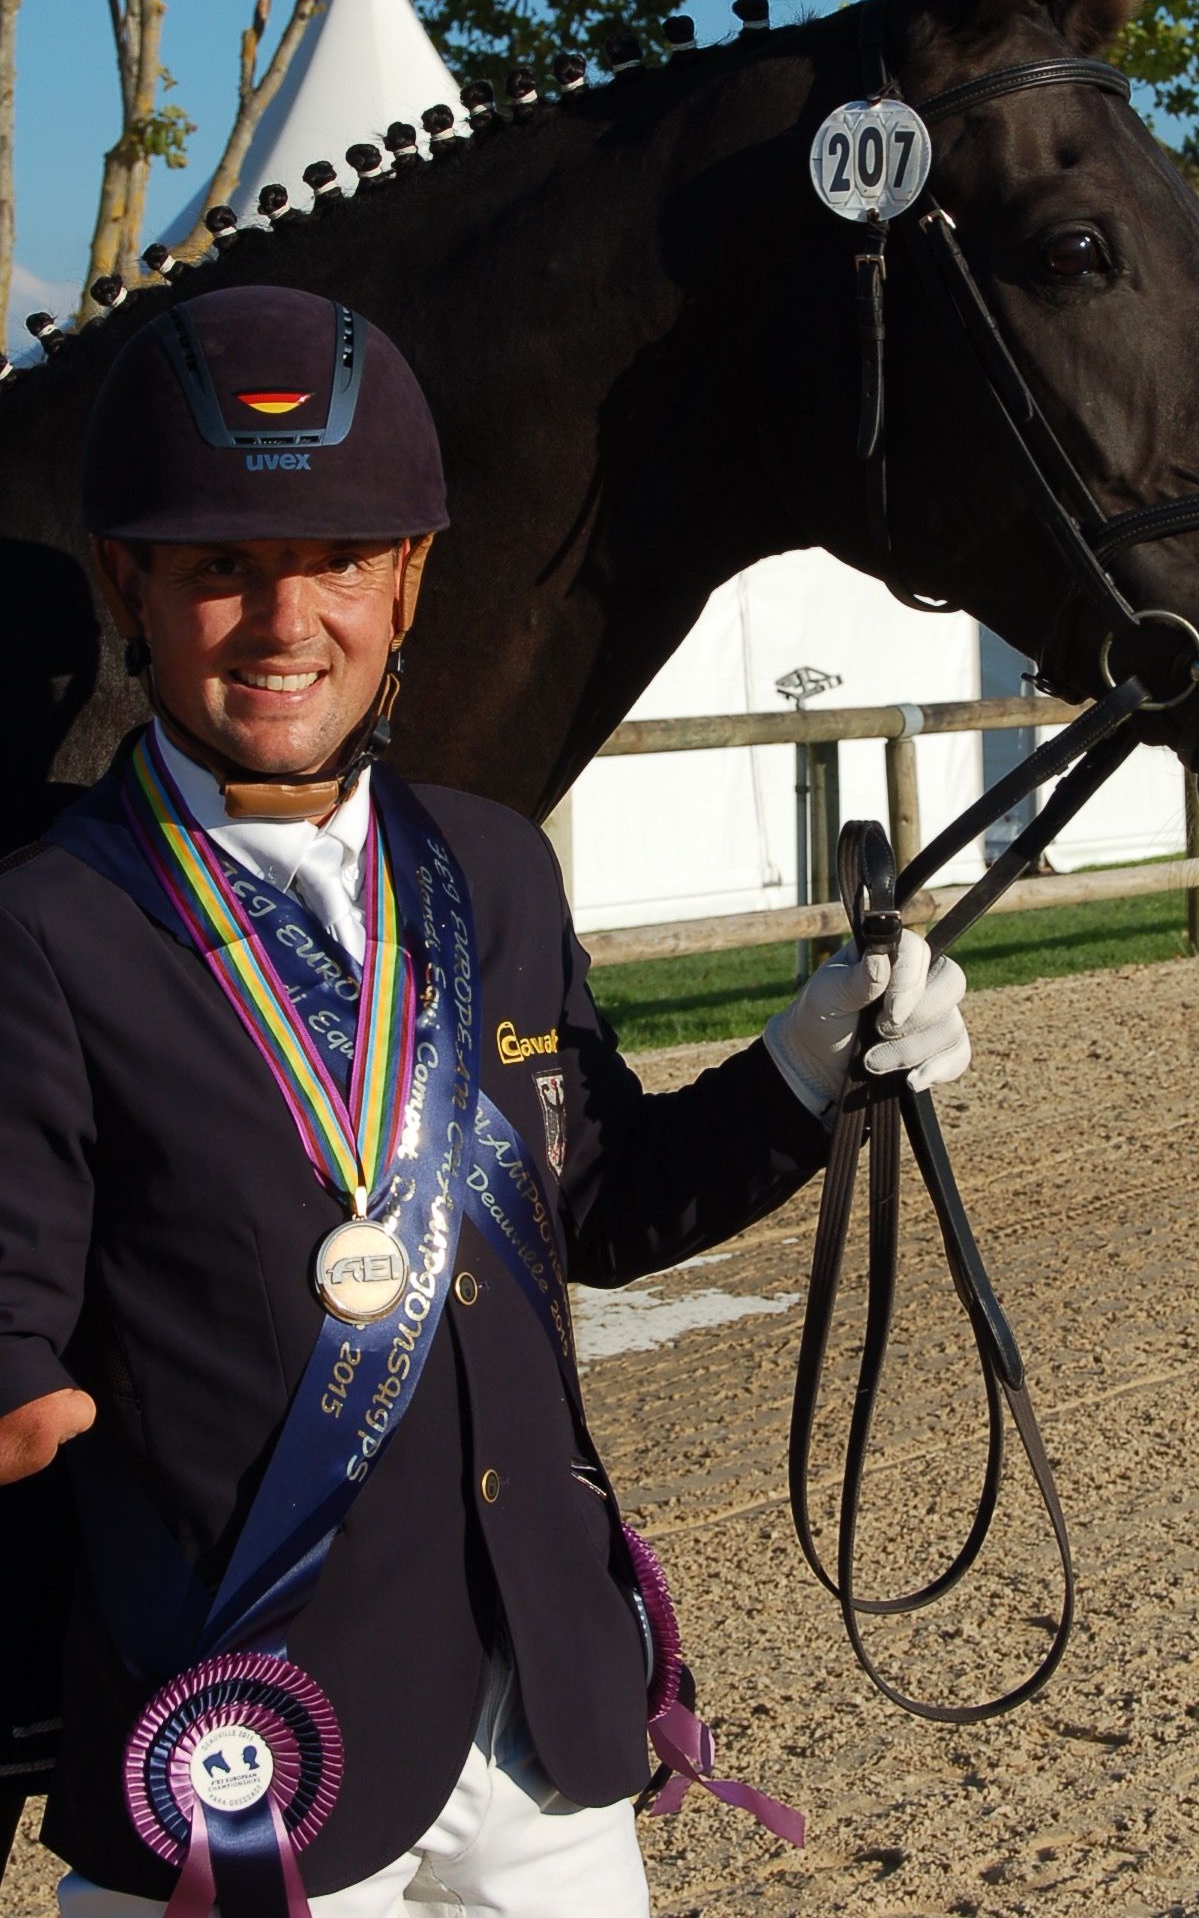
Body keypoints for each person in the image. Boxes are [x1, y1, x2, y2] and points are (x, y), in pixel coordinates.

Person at [0, 286, 971, 1918]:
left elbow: (588, 1205)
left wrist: (812, 1067)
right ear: (130, 588)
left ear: (410, 581)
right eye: (219, 567)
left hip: (544, 1724)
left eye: (338, 561)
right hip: (244, 1752)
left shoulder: (492, 872)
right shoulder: (45, 925)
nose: (283, 618)